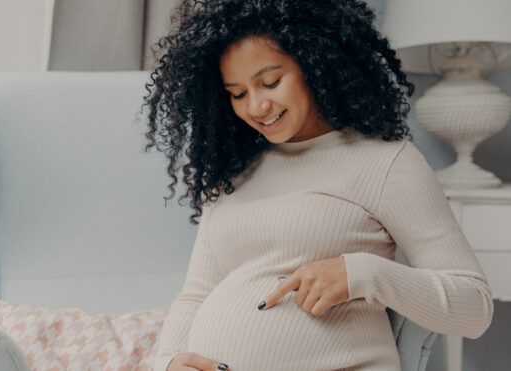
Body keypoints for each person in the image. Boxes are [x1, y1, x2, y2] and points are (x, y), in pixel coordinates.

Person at [139, 1, 494, 370]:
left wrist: (362, 274)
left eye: (270, 82)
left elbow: (474, 308)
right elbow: (196, 294)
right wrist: (167, 362)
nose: (257, 106)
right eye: (238, 93)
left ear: (312, 64)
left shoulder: (386, 163)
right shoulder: (234, 172)